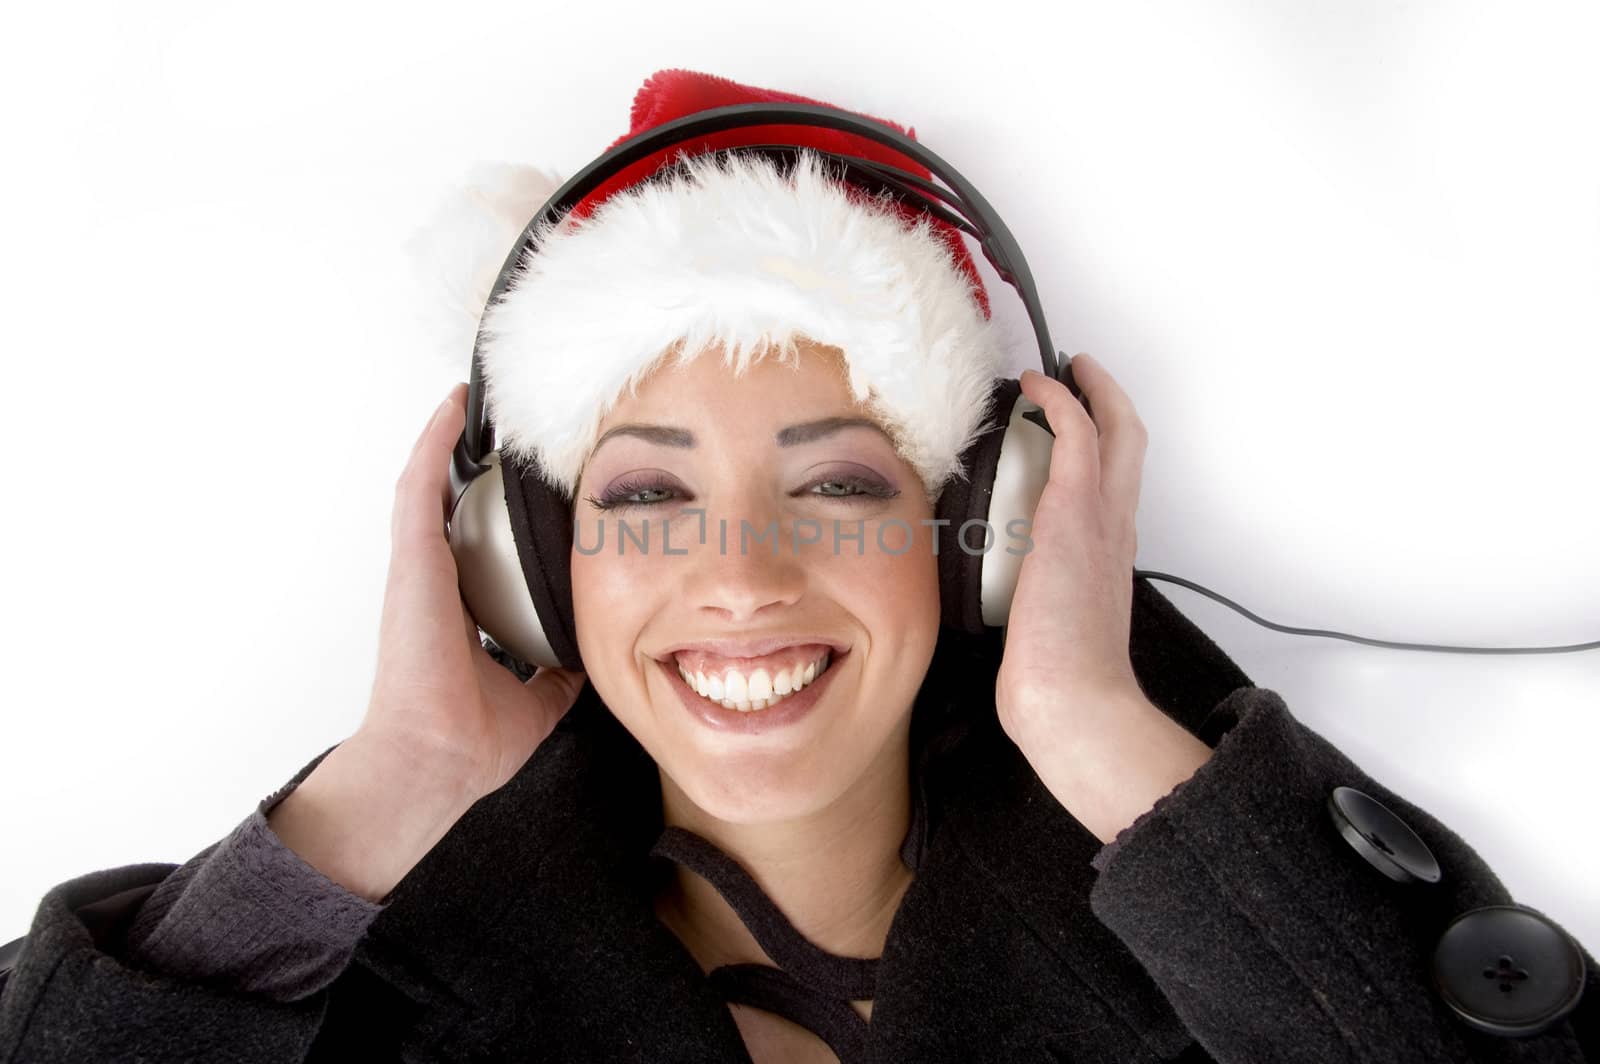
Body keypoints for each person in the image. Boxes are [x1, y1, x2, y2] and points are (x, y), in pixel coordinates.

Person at [1, 69, 1594, 1064]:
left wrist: (1100, 723)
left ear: (985, 530)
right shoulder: (356, 977)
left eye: (836, 481)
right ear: (525, 565)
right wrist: (385, 788)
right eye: (641, 500)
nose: (743, 576)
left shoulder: (1227, 921)